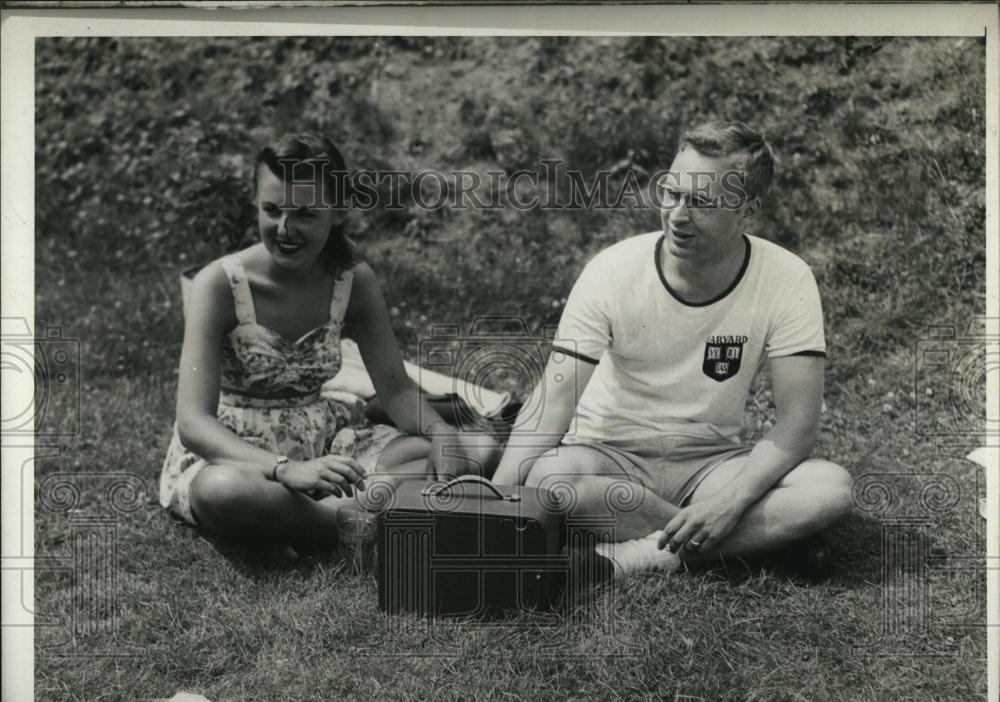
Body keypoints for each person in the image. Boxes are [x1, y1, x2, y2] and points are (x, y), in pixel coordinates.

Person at [491, 121, 853, 579]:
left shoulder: (788, 277)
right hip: (609, 458)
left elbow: (798, 424)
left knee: (831, 489)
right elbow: (554, 401)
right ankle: (759, 542)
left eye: (701, 202)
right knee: (549, 481)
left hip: (709, 465)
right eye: (672, 193)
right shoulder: (612, 270)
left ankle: (628, 559)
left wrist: (730, 501)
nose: (678, 215)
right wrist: (494, 501)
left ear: (748, 211)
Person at [159, 132, 494, 551]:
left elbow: (397, 390)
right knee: (221, 491)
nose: (284, 228)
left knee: (478, 449)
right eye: (272, 209)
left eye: (303, 214)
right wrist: (285, 470)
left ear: (337, 212)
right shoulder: (219, 284)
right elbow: (193, 423)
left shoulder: (354, 281)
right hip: (240, 455)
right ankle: (361, 518)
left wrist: (442, 432)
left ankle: (309, 522)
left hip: (329, 441)